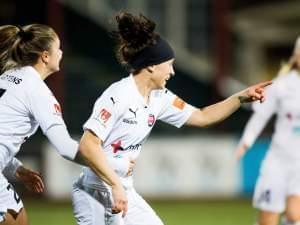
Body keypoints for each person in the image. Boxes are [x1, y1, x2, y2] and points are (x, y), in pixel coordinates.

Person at [71, 11, 271, 225]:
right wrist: (114, 184)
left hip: (122, 188)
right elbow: (88, 146)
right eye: (169, 64)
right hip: (96, 191)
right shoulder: (118, 95)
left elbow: (202, 116)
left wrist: (239, 98)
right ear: (151, 65)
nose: (173, 71)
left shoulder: (160, 97)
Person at [0, 24, 127, 225]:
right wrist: (113, 165)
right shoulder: (37, 91)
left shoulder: (5, 79)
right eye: (57, 48)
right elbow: (66, 148)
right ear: (45, 56)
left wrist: (17, 169)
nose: (61, 52)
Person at [235, 37, 300, 225]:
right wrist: (245, 142)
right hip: (278, 160)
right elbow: (260, 116)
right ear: (296, 55)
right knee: (268, 220)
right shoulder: (281, 85)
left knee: (295, 215)